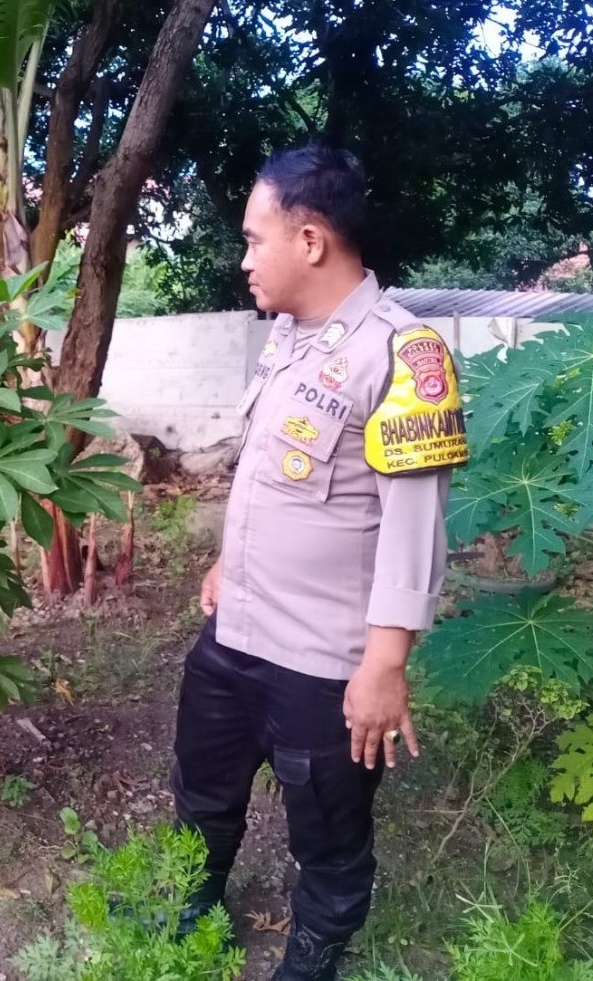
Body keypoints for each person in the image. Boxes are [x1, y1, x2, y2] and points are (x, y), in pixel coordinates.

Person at [170, 144, 468, 981]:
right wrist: (228, 561)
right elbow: (268, 471)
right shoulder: (287, 339)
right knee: (202, 786)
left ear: (309, 240)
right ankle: (189, 905)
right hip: (237, 630)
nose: (244, 259)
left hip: (324, 657)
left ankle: (312, 955)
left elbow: (415, 523)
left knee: (329, 828)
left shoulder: (405, 355)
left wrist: (385, 664)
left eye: (252, 239)